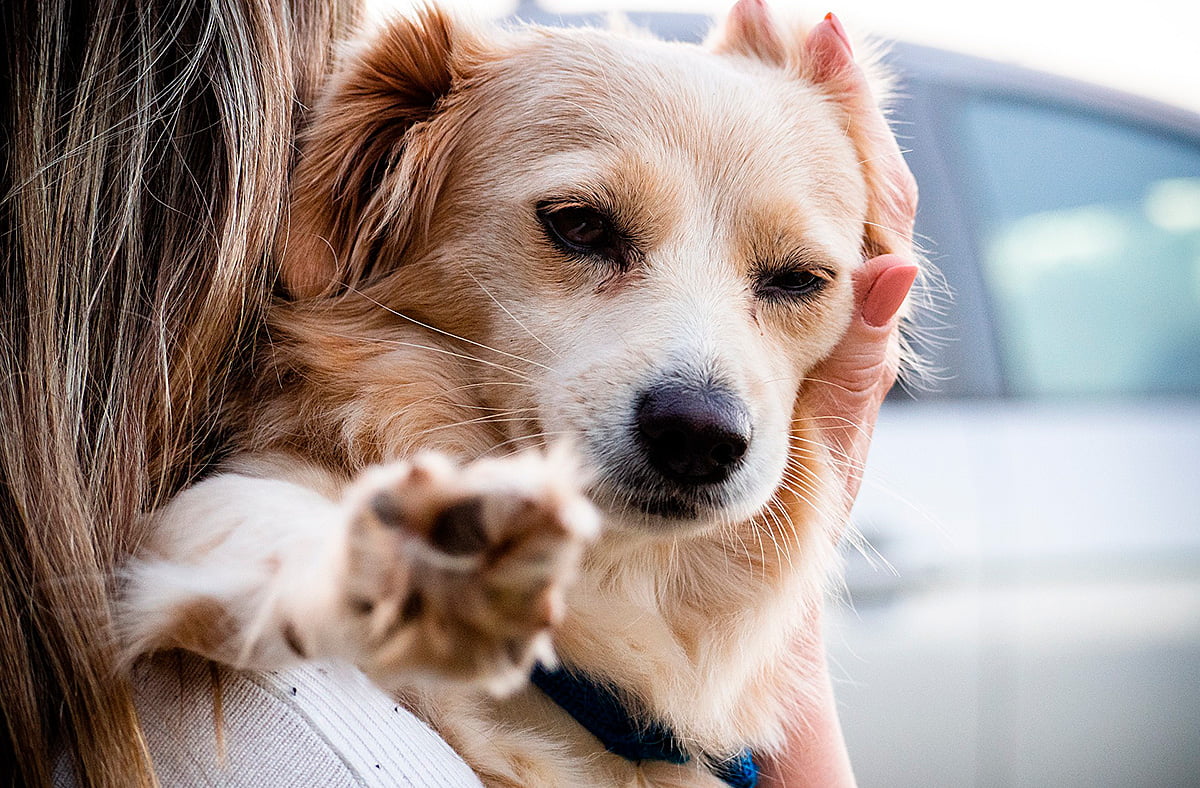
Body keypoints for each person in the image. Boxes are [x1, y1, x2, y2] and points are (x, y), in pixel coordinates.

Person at [0, 0, 916, 784]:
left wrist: (785, 638)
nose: (705, 409)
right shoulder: (281, 676)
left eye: (793, 281)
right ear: (364, 186)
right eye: (581, 227)